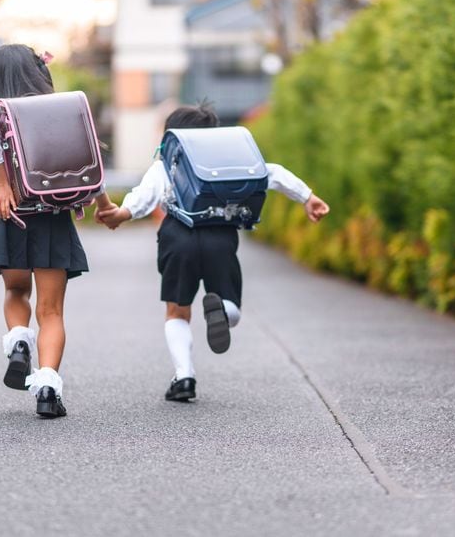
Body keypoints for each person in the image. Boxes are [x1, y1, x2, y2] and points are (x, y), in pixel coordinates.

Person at [96, 103, 329, 402]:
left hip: (177, 235)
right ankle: (223, 310)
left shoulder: (168, 162)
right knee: (230, 304)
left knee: (177, 310)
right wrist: (308, 197)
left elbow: (144, 196)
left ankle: (184, 376)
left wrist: (122, 214)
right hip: (220, 234)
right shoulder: (230, 161)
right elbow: (272, 173)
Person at [0, 44, 117, 418]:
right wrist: (104, 206)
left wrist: (0, 183)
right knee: (52, 311)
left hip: (11, 217)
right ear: (39, 75)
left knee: (15, 290)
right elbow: (87, 157)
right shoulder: (63, 113)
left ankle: (19, 342)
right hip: (53, 219)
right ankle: (46, 388)